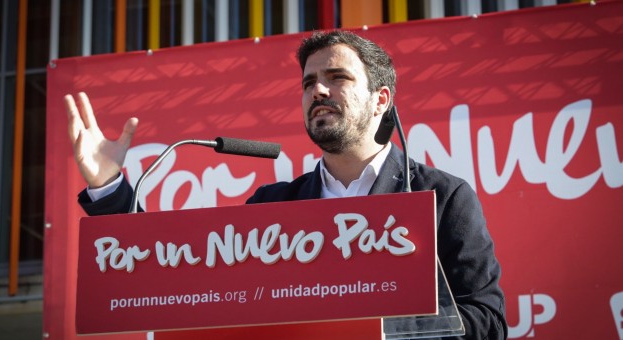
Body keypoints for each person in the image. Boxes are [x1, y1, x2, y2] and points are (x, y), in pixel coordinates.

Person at [64, 30, 507, 339]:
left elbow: (488, 322)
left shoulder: (441, 198)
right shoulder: (271, 208)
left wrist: (370, 328)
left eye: (338, 78)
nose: (318, 91)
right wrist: (110, 187)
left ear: (381, 99)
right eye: (309, 82)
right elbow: (177, 284)